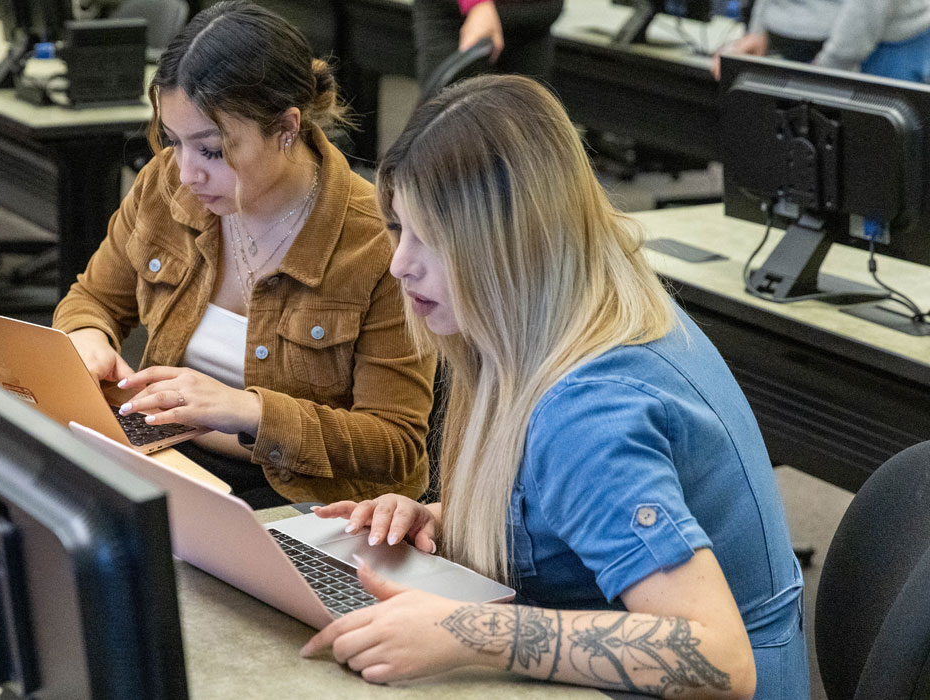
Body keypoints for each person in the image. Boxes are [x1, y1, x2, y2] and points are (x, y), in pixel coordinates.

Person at [302, 74, 808, 699]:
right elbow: (564, 509)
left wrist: (469, 630)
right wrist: (442, 521)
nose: (399, 263)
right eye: (397, 229)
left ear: (509, 246)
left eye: (429, 238)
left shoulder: (587, 411)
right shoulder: (575, 309)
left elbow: (718, 659)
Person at [52, 1, 435, 509]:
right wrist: (86, 337)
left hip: (304, 499)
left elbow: (395, 444)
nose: (187, 172)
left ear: (287, 128)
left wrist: (249, 411)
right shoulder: (167, 183)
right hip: (171, 457)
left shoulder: (374, 241)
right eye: (174, 141)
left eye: (211, 150)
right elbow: (95, 297)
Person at [713, 0, 930, 82]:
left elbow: (868, 8)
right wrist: (760, 31)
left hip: (888, 42)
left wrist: (828, 68)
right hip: (809, 49)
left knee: (882, 162)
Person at [413, 0, 564, 90]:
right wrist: (477, 4)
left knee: (528, 131)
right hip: (457, 16)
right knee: (450, 126)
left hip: (532, 16)